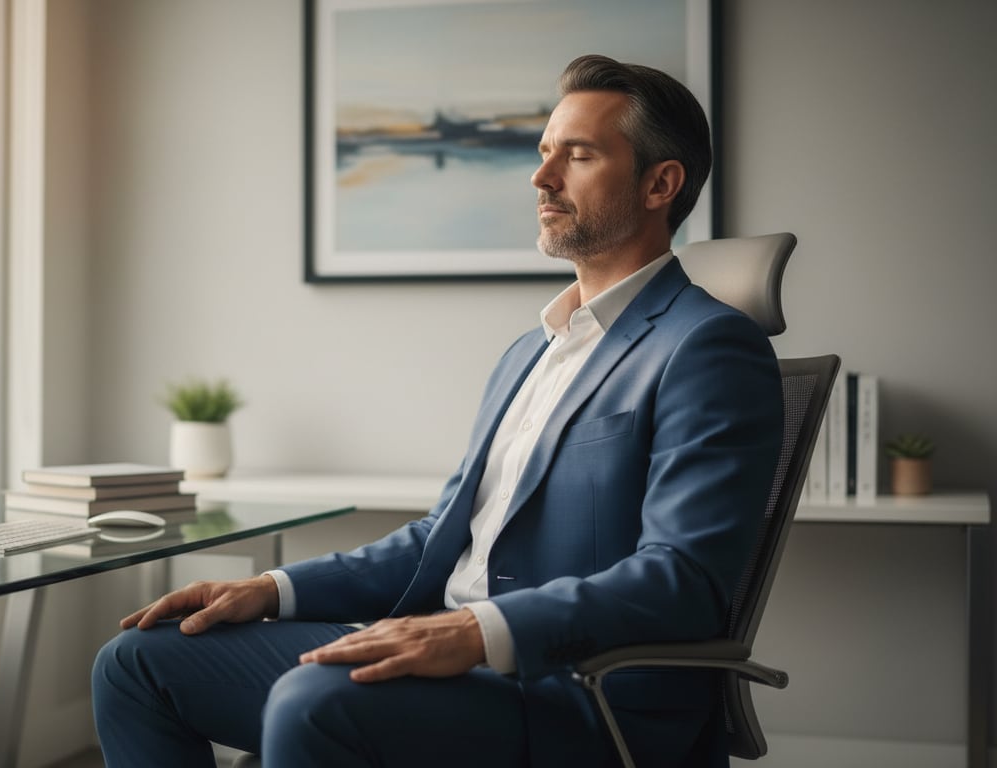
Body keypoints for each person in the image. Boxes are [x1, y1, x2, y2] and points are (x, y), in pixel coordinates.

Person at [92, 54, 782, 768]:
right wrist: (272, 589)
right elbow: (439, 539)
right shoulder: (531, 351)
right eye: (545, 154)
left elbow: (683, 580)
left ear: (659, 184)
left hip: (572, 695)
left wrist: (477, 632)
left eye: (577, 156)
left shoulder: (705, 346)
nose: (541, 179)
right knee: (140, 661)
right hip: (449, 653)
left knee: (315, 700)